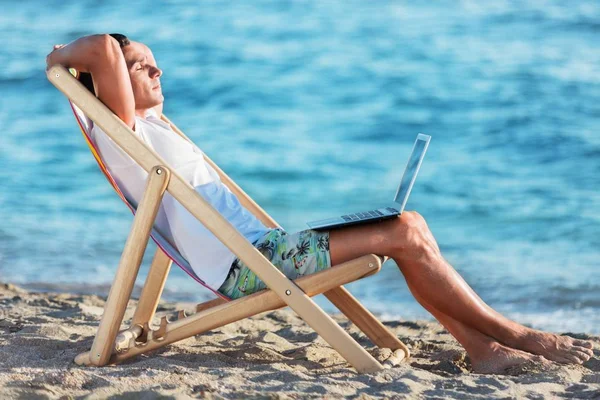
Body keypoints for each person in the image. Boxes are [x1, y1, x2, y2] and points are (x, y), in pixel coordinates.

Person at [46, 34, 594, 374]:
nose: (157, 71)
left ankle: (483, 347)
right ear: (108, 81)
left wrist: (107, 61)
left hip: (265, 250)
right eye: (142, 65)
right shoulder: (122, 127)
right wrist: (61, 58)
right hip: (253, 265)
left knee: (410, 224)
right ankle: (514, 337)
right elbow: (99, 47)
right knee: (405, 230)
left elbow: (109, 55)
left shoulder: (151, 127)